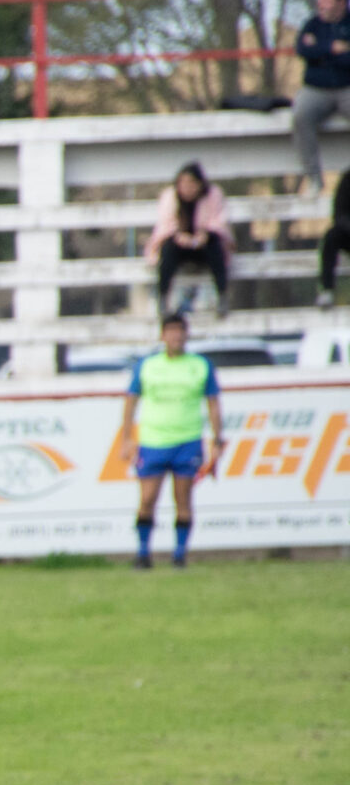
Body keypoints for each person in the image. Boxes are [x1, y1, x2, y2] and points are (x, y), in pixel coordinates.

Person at [118, 312, 222, 569]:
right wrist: (127, 438)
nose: (176, 335)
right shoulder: (147, 365)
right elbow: (131, 401)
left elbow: (213, 404)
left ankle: (179, 555)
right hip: (153, 441)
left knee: (183, 499)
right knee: (147, 499)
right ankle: (143, 553)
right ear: (162, 335)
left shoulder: (200, 365)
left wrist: (217, 440)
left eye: (180, 330)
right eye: (171, 330)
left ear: (187, 334)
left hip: (188, 440)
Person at [149, 162, 231, 319]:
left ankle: (222, 296)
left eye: (192, 182)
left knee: (215, 246)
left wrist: (205, 235)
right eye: (183, 183)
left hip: (204, 246)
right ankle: (163, 298)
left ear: (200, 183)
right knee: (168, 248)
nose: (187, 187)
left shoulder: (213, 195)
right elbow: (165, 224)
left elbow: (220, 221)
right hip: (179, 247)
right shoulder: (170, 196)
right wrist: (179, 236)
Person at [293, 0, 350, 195]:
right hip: (316, 89)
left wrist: (320, 52)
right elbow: (303, 50)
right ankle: (314, 180)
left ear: (341, 1)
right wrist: (332, 49)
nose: (321, 4)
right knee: (300, 115)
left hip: (346, 88)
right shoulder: (312, 24)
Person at [318, 168, 350, 308]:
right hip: (347, 232)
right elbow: (339, 213)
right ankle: (327, 290)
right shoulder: (348, 179)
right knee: (331, 237)